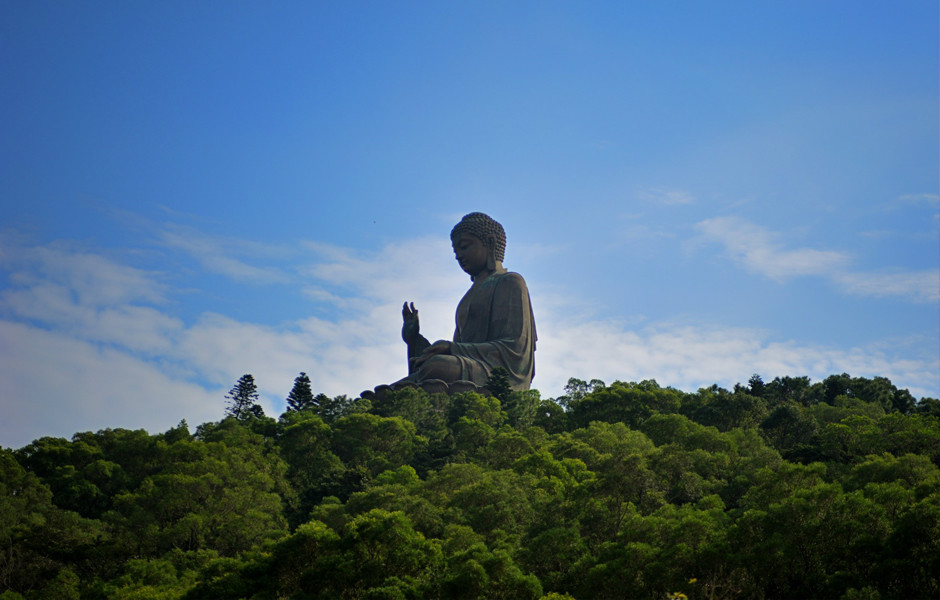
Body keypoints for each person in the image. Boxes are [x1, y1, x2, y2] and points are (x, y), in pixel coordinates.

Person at [397, 212, 536, 392]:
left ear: (491, 243)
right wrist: (414, 340)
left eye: (464, 247)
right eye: (455, 251)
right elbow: (457, 349)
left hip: (497, 373)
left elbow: (514, 349)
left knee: (437, 367)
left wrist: (452, 348)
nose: (458, 256)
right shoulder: (468, 297)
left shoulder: (510, 282)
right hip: (468, 366)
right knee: (405, 383)